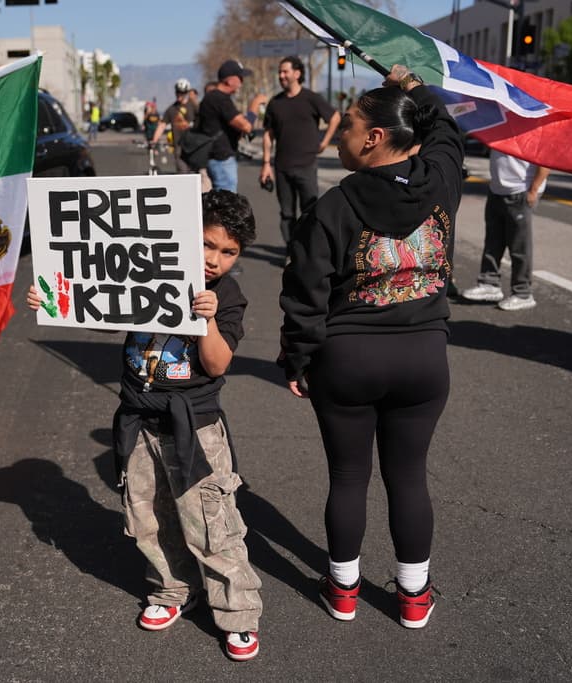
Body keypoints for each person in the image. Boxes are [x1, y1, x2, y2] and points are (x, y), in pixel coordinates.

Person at [27, 189, 264, 661]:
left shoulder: (226, 296)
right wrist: (55, 300)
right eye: (207, 244)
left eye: (228, 252)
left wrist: (207, 320)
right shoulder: (151, 271)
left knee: (211, 524)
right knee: (148, 515)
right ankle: (173, 589)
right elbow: (106, 314)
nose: (214, 259)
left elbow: (217, 364)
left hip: (194, 426)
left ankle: (238, 612)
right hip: (139, 418)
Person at [278, 65, 463, 629]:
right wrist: (414, 87)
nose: (338, 134)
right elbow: (447, 130)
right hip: (423, 359)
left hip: (348, 361)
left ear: (374, 137)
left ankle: (342, 591)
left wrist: (297, 359)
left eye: (349, 125)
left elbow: (305, 295)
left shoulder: (331, 207)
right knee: (409, 477)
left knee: (348, 477)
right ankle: (414, 596)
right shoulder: (441, 181)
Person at [259, 56, 340, 248]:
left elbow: (335, 117)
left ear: (297, 73)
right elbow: (268, 135)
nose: (281, 75)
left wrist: (324, 142)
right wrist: (266, 164)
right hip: (282, 167)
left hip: (306, 166)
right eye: (279, 72)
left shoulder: (311, 98)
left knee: (310, 211)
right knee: (286, 214)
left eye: (285, 71)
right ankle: (291, 251)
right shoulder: (275, 103)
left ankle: (309, 250)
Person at [460, 151, 550, 311]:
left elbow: (546, 160)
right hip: (497, 189)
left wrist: (534, 190)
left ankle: (523, 293)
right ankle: (489, 283)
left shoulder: (534, 134)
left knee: (519, 247)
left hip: (520, 191)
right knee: (493, 241)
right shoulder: (502, 132)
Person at [194, 60, 266, 192]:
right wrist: (255, 104)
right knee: (227, 199)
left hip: (216, 158)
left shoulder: (214, 98)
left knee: (221, 198)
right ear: (230, 79)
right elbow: (246, 126)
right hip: (221, 159)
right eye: (240, 78)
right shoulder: (219, 99)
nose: (241, 82)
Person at [150, 78, 198, 174]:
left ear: (187, 93)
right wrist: (154, 141)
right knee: (182, 173)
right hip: (179, 147)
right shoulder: (171, 109)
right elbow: (162, 125)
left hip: (194, 146)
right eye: (177, 92)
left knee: (195, 174)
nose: (179, 95)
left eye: (182, 93)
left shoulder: (194, 106)